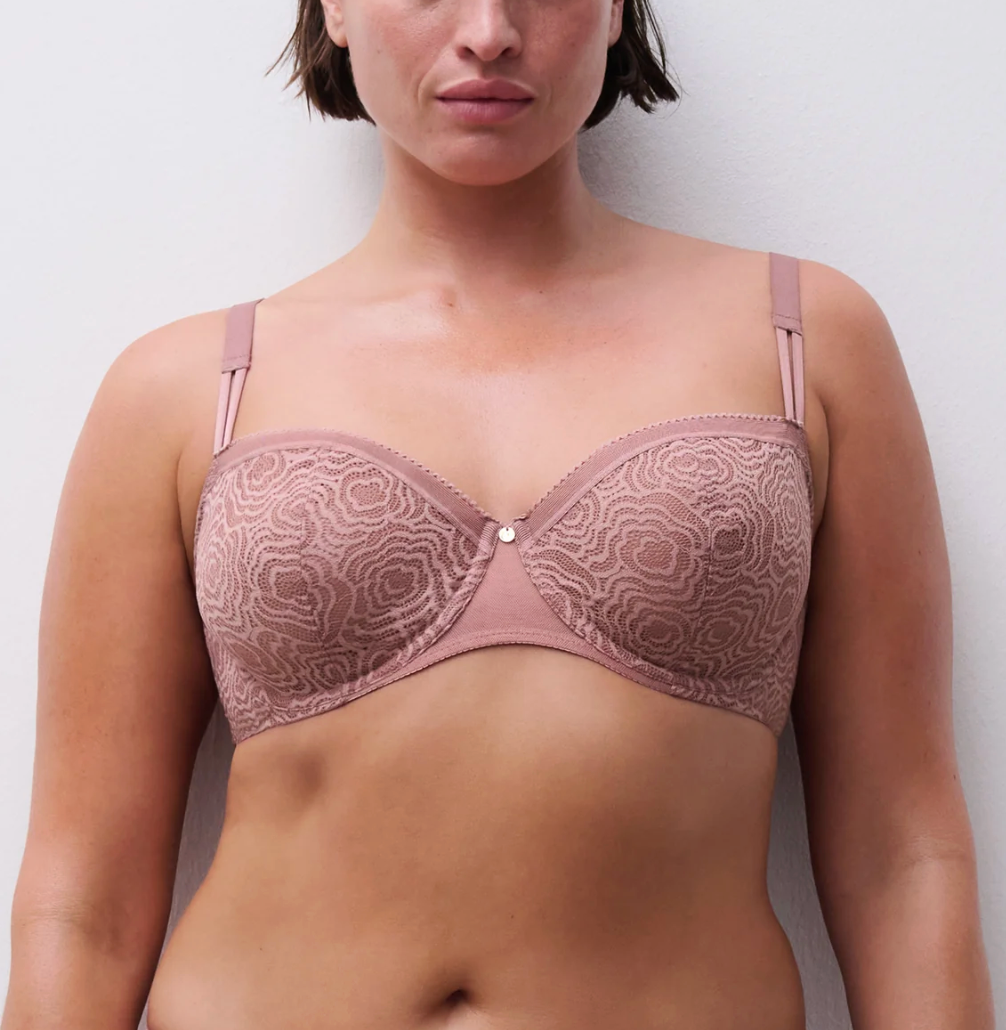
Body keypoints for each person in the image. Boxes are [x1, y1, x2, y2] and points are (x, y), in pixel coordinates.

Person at [3, 0, 994, 1023]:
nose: (488, 31)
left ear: (615, 11)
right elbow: (84, 901)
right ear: (335, 8)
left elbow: (900, 854)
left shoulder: (805, 343)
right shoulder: (186, 388)